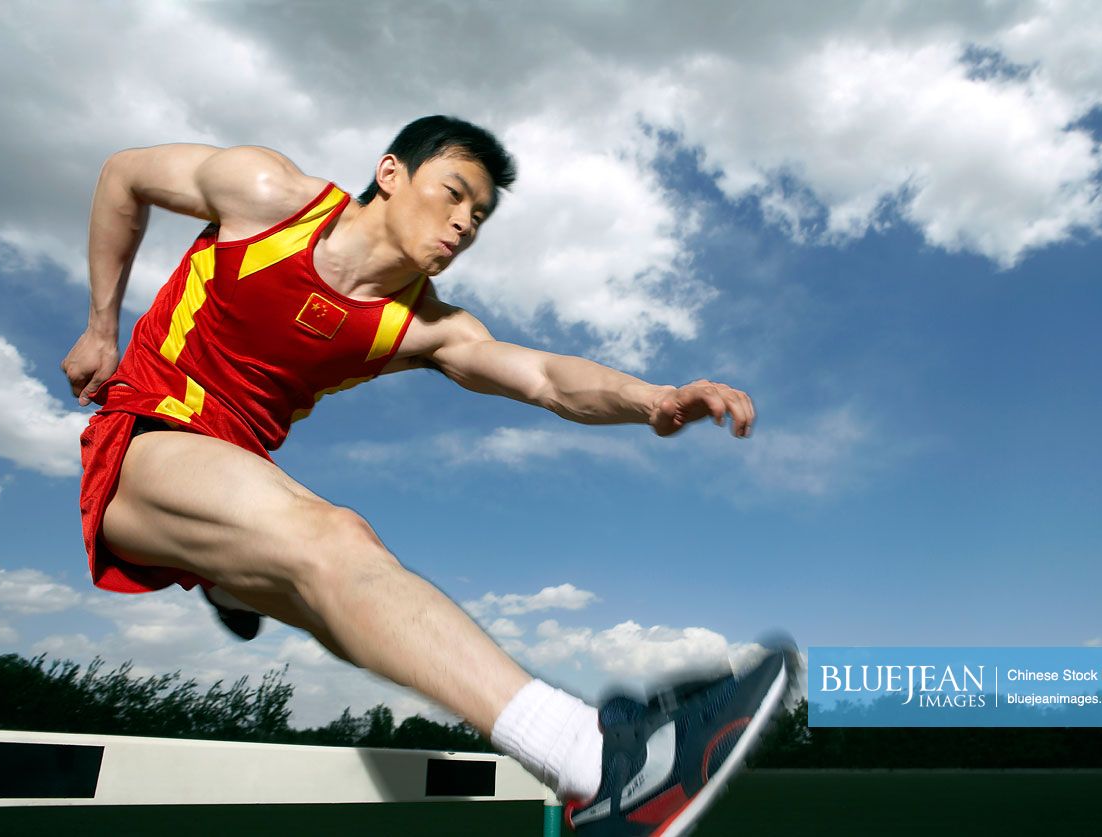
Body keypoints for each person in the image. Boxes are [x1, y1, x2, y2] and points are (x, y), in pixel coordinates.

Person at [62, 115, 795, 835]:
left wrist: (653, 399)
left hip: (234, 470)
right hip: (148, 432)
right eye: (452, 193)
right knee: (333, 538)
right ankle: (599, 760)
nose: (464, 223)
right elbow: (124, 173)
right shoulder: (267, 195)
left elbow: (541, 376)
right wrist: (101, 326)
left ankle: (227, 579)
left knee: (342, 597)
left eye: (478, 215)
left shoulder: (423, 326)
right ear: (390, 173)